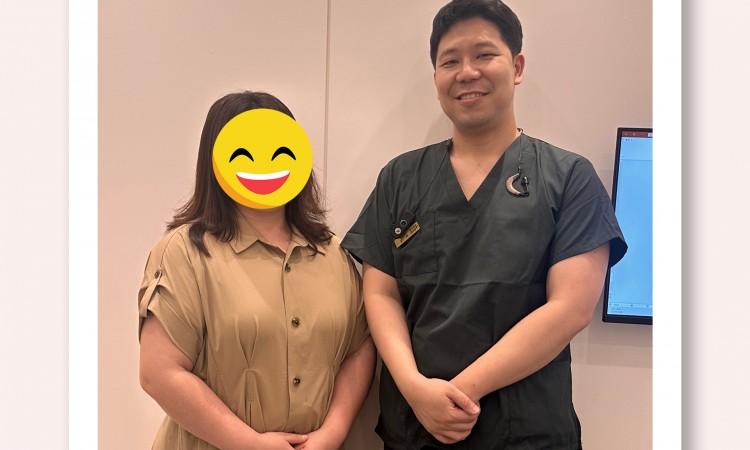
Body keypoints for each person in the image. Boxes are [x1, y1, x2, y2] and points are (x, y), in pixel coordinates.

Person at [341, 1, 628, 449]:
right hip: (416, 429)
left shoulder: (568, 177)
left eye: (484, 54)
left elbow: (570, 309)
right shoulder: (400, 178)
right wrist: (415, 390)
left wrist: (457, 395)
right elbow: (380, 294)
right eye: (450, 61)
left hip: (527, 433)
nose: (467, 72)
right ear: (436, 77)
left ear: (517, 66)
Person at [138, 91, 376, 450]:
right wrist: (248, 443)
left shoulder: (334, 253)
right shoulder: (185, 253)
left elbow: (359, 349)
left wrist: (333, 432)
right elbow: (159, 373)